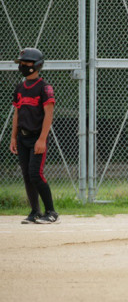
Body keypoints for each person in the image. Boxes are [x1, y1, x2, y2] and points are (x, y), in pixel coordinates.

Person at [10, 48, 60, 224]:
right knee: (26, 176)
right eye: (21, 63)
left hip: (37, 137)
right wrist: (14, 137)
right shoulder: (20, 88)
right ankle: (35, 212)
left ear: (37, 65)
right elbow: (17, 114)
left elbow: (49, 114)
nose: (23, 66)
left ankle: (51, 212)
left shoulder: (44, 88)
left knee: (35, 174)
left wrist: (42, 139)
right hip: (22, 138)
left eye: (27, 63)